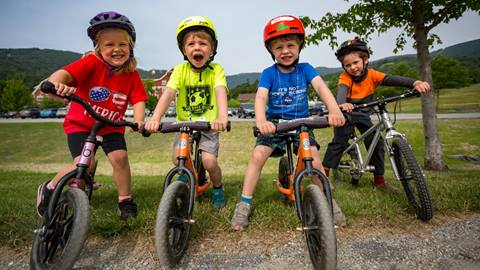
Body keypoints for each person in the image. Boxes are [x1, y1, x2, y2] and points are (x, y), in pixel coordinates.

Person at [231, 15, 347, 231]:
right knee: (257, 156)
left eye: (290, 45)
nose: (285, 51)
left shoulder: (306, 69)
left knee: (315, 160)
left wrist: (334, 109)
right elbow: (261, 97)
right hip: (275, 124)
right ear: (272, 51)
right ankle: (244, 203)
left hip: (301, 123)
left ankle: (328, 200)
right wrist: (262, 120)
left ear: (300, 46)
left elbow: (321, 88)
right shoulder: (269, 73)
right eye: (279, 47)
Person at [36, 11, 148, 220]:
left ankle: (125, 200)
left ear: (130, 47)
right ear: (98, 48)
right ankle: (49, 188)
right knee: (85, 163)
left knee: (120, 158)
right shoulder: (91, 63)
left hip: (111, 126)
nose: (117, 49)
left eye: (123, 44)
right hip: (81, 124)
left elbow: (139, 99)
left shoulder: (131, 74)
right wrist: (57, 83)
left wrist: (139, 120)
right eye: (109, 45)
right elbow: (63, 74)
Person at [322, 37, 431, 192]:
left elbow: (392, 79)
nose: (352, 67)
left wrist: (415, 83)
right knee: (338, 142)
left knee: (377, 143)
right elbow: (341, 91)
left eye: (355, 63)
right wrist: (342, 104)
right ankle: (322, 178)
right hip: (346, 114)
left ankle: (379, 181)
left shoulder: (372, 75)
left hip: (364, 114)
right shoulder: (345, 77)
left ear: (365, 60)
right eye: (347, 65)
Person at [144, 16, 229, 209]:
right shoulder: (180, 70)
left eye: (203, 43)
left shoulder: (216, 70)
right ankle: (191, 175)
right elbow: (168, 94)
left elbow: (220, 91)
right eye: (191, 43)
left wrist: (222, 117)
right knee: (177, 159)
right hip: (185, 125)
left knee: (209, 162)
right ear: (184, 50)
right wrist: (155, 118)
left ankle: (217, 187)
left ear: (212, 48)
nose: (197, 47)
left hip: (209, 125)